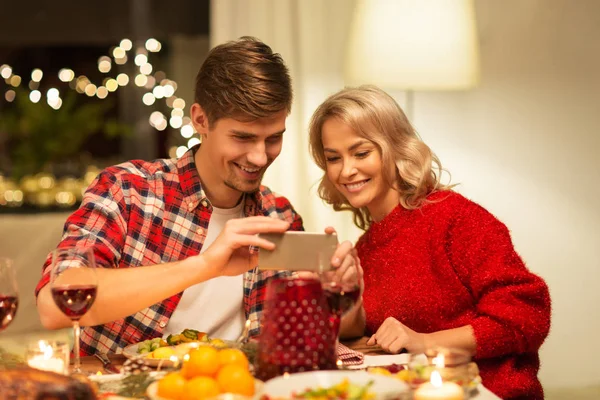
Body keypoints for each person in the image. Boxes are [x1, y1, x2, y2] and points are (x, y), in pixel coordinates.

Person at [35, 37, 357, 356]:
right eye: (243, 137)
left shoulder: (280, 216)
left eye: (273, 138)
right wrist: (204, 266)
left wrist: (340, 292)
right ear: (201, 120)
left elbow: (324, 332)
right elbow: (54, 305)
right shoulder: (127, 191)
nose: (260, 157)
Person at [308, 85, 551, 400]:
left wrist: (425, 342)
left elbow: (527, 316)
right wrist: (345, 295)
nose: (347, 170)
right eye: (333, 158)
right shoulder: (366, 246)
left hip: (487, 391)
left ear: (394, 147)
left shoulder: (454, 218)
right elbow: (370, 336)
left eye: (361, 152)